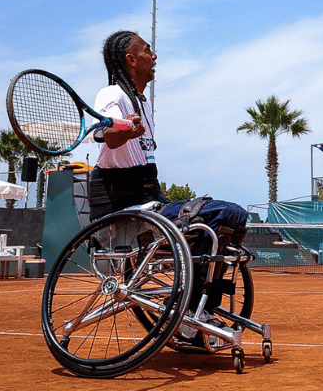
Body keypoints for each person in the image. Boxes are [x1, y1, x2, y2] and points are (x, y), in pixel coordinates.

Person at [89, 30, 248, 341]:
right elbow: (108, 135)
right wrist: (126, 131)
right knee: (218, 214)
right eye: (148, 51)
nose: (155, 56)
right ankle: (189, 314)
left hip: (147, 205)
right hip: (124, 215)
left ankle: (201, 307)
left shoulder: (143, 102)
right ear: (131, 59)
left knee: (235, 216)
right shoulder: (112, 95)